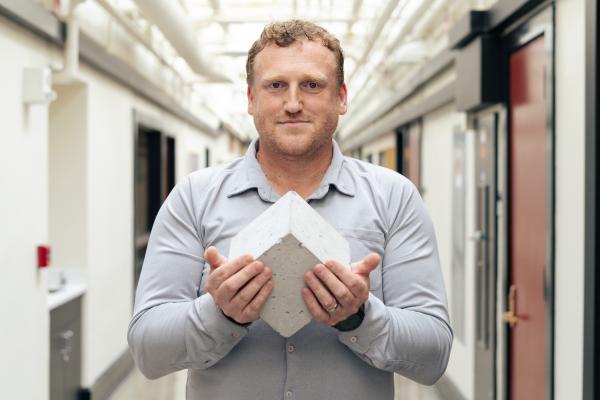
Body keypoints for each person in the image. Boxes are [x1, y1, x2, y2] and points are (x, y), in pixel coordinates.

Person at [128, 19, 452, 400]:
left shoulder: (394, 198)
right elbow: (148, 350)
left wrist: (360, 317)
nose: (294, 103)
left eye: (312, 85)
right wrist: (219, 314)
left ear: (342, 98)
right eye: (276, 86)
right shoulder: (194, 198)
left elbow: (433, 354)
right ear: (251, 99)